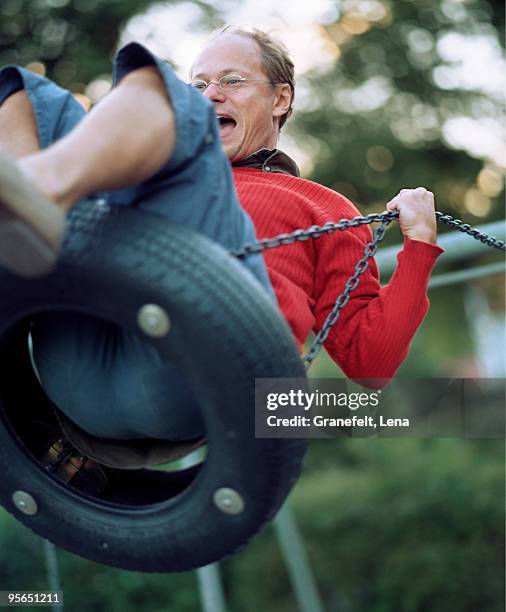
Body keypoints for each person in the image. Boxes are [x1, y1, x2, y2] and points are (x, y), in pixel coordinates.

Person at [0, 27, 442, 464]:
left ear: (281, 99)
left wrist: (419, 246)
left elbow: (372, 363)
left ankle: (38, 194)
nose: (210, 94)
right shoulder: (149, 163)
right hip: (77, 363)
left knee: (174, 107)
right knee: (29, 94)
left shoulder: (325, 207)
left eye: (231, 81)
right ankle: (28, 210)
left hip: (204, 374)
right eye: (200, 83)